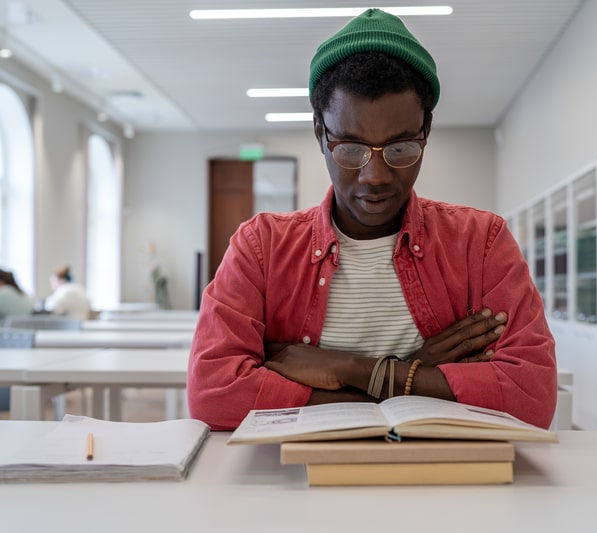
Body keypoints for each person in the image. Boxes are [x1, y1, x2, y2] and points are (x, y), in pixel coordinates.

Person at [187, 9, 556, 431]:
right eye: (350, 148)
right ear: (319, 132)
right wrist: (416, 373)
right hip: (293, 485)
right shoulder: (261, 247)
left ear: (426, 130)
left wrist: (356, 369)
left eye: (400, 148)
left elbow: (532, 395)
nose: (375, 176)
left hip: (448, 483)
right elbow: (212, 394)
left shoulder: (481, 242)